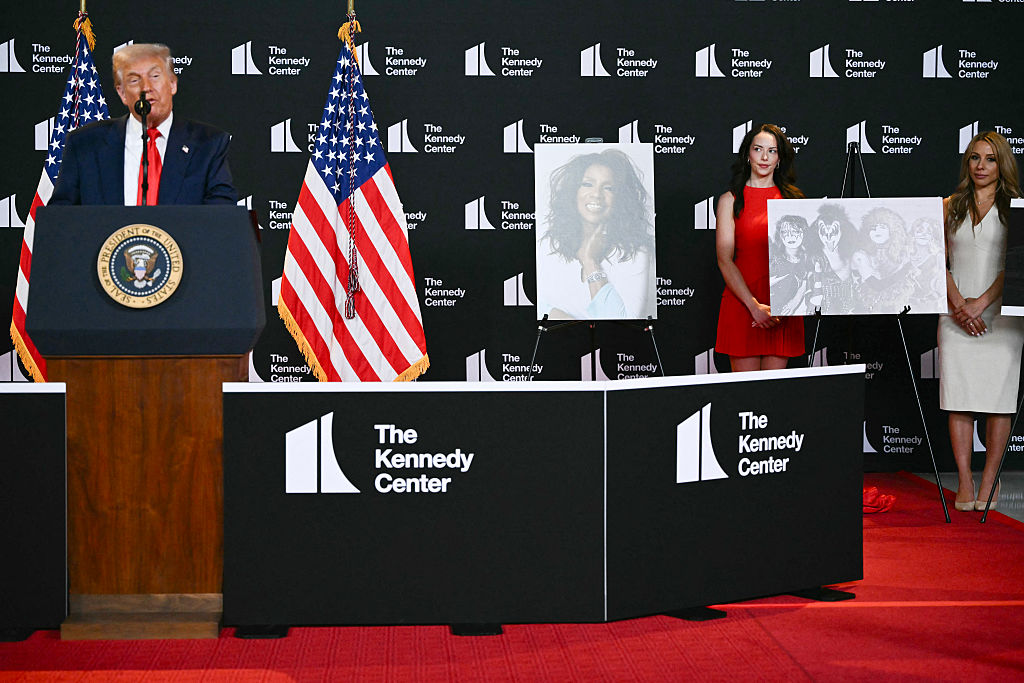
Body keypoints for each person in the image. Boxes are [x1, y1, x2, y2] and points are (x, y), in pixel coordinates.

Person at [938, 131, 1024, 511]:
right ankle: (965, 479)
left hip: (1003, 317)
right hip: (953, 313)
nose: (981, 166)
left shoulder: (1016, 208)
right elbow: (935, 260)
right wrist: (960, 305)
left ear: (1002, 164)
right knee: (958, 399)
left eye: (990, 159)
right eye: (975, 158)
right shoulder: (949, 205)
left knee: (998, 401)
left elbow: (1016, 263)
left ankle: (990, 478)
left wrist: (982, 303)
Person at [50, 43, 236, 206]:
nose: (146, 87)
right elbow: (61, 217)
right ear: (122, 93)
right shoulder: (85, 144)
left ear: (172, 84)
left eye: (155, 76)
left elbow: (221, 216)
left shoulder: (208, 144)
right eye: (134, 80)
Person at [715, 124, 805, 371]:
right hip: (742, 302)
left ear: (779, 159)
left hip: (783, 307)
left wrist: (788, 303)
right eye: (758, 149)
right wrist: (753, 306)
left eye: (772, 151)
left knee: (775, 391)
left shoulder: (793, 201)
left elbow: (803, 258)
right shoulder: (730, 200)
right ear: (748, 154)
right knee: (746, 391)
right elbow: (724, 259)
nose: (765, 157)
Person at [536, 148, 655, 320]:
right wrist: (567, 321)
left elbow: (624, 323)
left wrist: (590, 262)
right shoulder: (549, 243)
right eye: (587, 184)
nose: (596, 194)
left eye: (608, 188)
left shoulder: (635, 251)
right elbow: (538, 306)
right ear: (573, 191)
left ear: (620, 197)